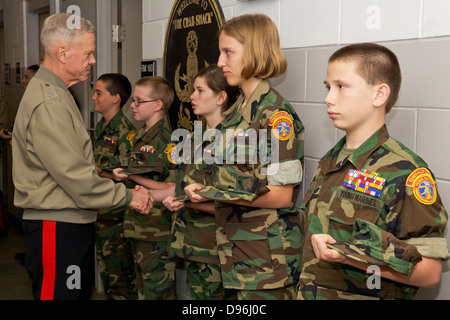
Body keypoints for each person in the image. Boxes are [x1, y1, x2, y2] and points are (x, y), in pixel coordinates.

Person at [12, 13, 151, 300]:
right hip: (58, 227)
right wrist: (129, 197)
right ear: (62, 53)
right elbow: (78, 179)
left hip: (68, 223)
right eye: (88, 53)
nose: (93, 60)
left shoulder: (57, 93)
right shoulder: (49, 103)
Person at [297, 43, 450, 300]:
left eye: (341, 86)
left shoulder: (406, 173)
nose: (328, 98)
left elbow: (430, 272)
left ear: (379, 95)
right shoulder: (331, 162)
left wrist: (347, 256)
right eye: (328, 87)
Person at [179, 14, 305, 300]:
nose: (221, 62)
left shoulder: (274, 116)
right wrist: (202, 196)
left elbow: (282, 196)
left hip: (265, 263)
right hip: (233, 255)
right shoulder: (236, 113)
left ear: (256, 52)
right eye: (221, 53)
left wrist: (212, 194)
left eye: (228, 53)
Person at [162, 65, 239, 300]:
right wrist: (172, 198)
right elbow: (182, 184)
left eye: (200, 90)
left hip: (217, 249)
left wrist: (188, 203)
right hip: (191, 244)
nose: (191, 96)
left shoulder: (233, 139)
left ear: (220, 97)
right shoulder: (194, 138)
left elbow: (234, 197)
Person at [113, 76, 178, 299]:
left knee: (157, 293)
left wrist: (132, 175)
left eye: (138, 101)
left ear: (158, 105)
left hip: (156, 231)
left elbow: (175, 186)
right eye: (133, 100)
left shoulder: (168, 142)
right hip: (136, 226)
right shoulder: (139, 137)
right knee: (142, 291)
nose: (133, 106)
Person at [92, 73, 137, 300]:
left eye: (99, 93)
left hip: (116, 219)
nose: (93, 97)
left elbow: (131, 176)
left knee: (121, 282)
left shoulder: (125, 132)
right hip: (100, 214)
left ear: (115, 98)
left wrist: (101, 173)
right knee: (108, 278)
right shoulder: (101, 127)